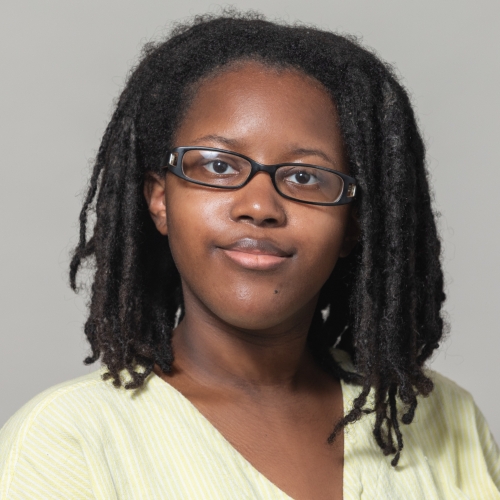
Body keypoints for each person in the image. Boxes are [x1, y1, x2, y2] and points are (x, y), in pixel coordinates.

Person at [0, 11, 498, 500]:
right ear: (160, 200)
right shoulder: (67, 442)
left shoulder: (441, 417)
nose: (259, 206)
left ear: (353, 225)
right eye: (218, 165)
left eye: (305, 176)